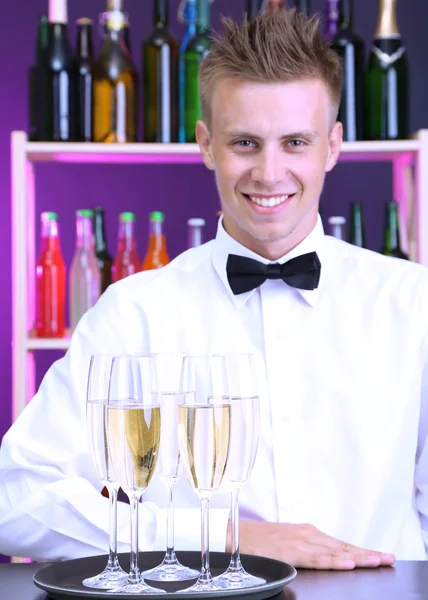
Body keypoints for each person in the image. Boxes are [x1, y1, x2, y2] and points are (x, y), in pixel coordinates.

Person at [0, 9, 425, 569]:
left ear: (332, 147)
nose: (269, 174)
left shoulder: (413, 302)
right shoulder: (134, 313)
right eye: (245, 143)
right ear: (206, 145)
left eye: (295, 142)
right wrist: (224, 535)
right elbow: (15, 500)